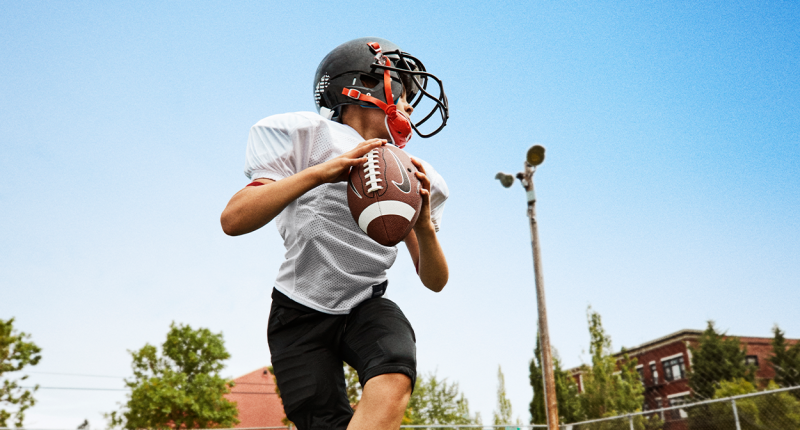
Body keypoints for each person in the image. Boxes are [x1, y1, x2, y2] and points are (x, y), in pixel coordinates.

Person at [220, 37, 450, 430]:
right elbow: (233, 219)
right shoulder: (309, 136)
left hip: (365, 301)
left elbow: (435, 281)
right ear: (362, 83)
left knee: (395, 369)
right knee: (321, 421)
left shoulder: (414, 171)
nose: (410, 105)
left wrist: (424, 227)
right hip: (298, 310)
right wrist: (322, 172)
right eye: (404, 91)